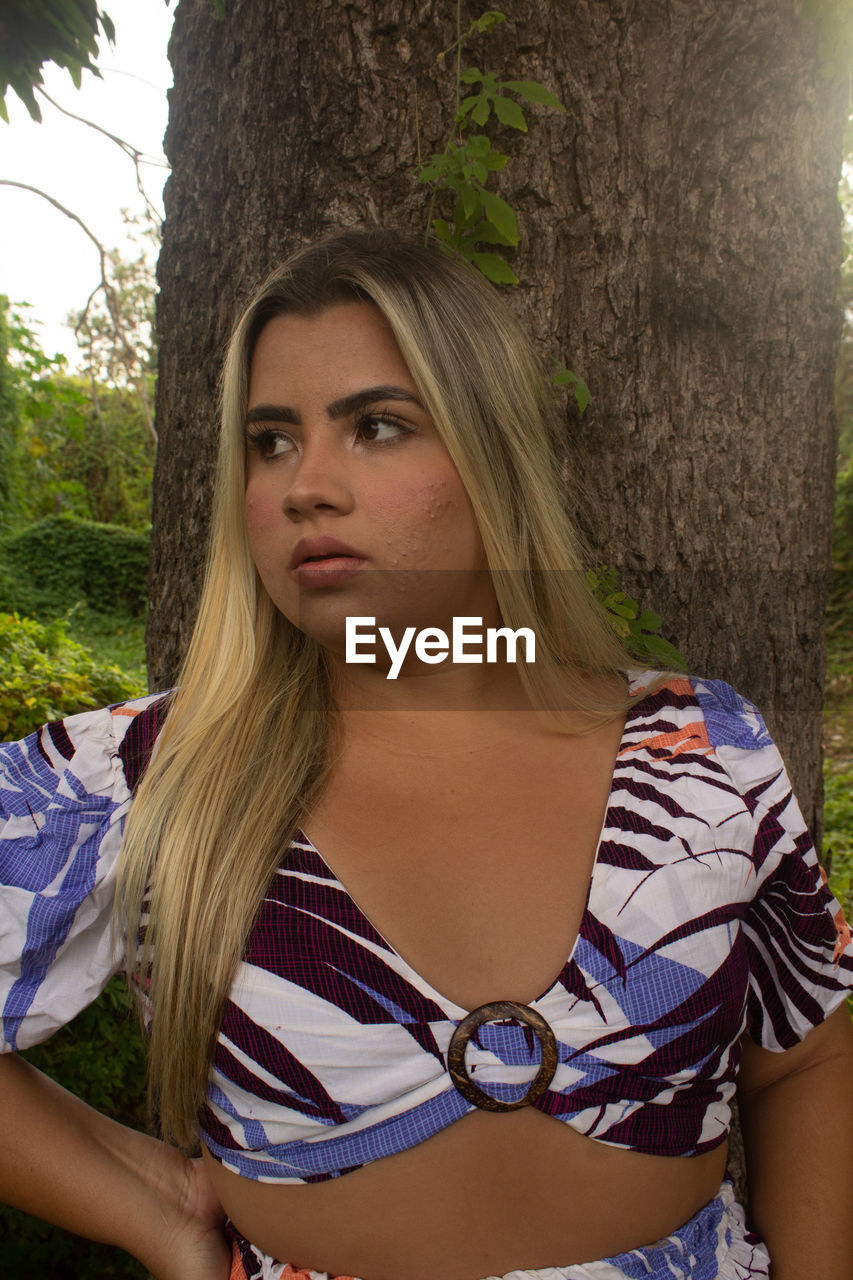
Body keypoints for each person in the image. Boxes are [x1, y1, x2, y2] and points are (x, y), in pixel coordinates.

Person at [1, 228, 851, 1280]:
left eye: (375, 426)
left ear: (492, 450)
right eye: (270, 441)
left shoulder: (703, 750)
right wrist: (150, 1204)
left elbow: (806, 1054)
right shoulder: (148, 773)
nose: (306, 484)